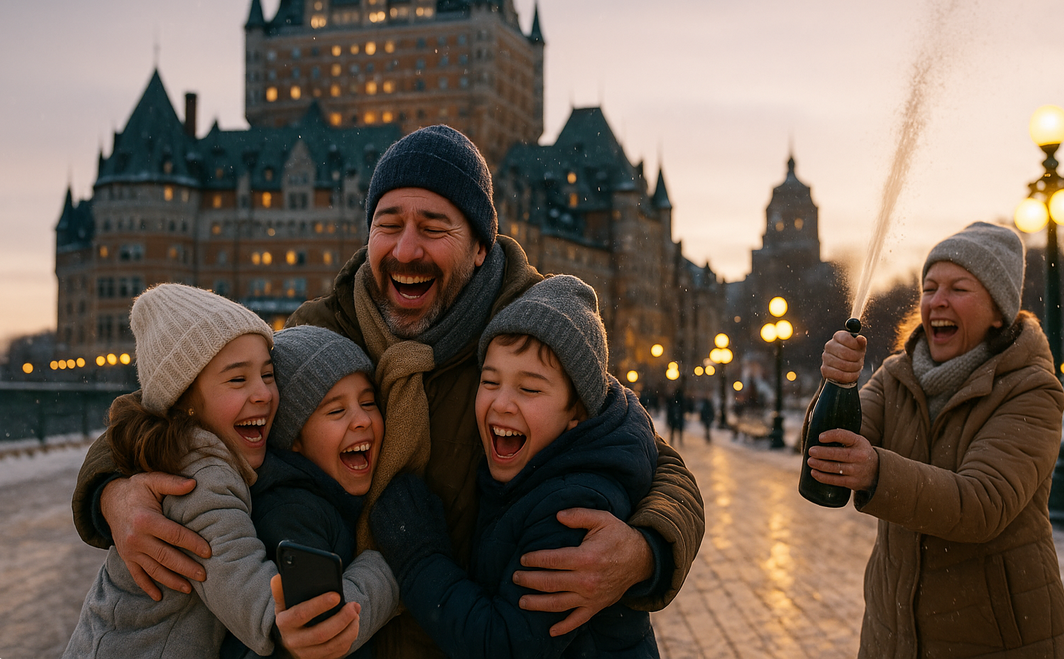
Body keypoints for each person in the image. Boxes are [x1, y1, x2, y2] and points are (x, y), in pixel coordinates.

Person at [71, 124, 704, 659]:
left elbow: (644, 452)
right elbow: (177, 402)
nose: (407, 248)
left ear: (480, 247)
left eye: (434, 227)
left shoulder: (525, 333)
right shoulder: (323, 331)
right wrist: (113, 492)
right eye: (388, 224)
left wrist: (645, 550)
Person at [62, 285, 392, 658]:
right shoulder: (199, 477)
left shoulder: (193, 453)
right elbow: (257, 601)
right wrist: (387, 567)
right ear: (184, 399)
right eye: (238, 379)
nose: (264, 394)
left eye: (268, 376)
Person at [805, 222, 1064, 658]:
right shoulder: (894, 376)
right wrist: (838, 384)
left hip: (998, 640)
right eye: (929, 287)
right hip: (892, 637)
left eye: (959, 288)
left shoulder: (1031, 389)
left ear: (999, 311)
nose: (937, 300)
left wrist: (876, 470)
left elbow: (983, 504)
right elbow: (825, 450)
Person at [371, 275, 660, 657]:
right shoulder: (534, 469)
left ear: (576, 410)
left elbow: (504, 644)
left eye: (529, 389)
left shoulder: (574, 510)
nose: (502, 403)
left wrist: (419, 557)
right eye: (490, 382)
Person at [222, 324, 400, 659]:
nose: (361, 419)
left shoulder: (329, 494)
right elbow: (316, 636)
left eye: (368, 402)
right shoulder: (293, 513)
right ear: (294, 441)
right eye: (336, 410)